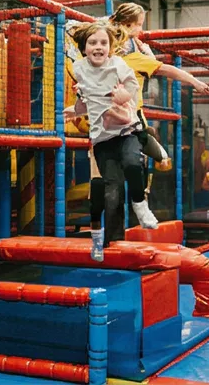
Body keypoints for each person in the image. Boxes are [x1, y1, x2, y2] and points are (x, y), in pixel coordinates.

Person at [106, 3, 209, 229]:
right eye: (139, 26)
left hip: (114, 116)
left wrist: (147, 54)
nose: (141, 31)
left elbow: (151, 69)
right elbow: (167, 70)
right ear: (127, 26)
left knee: (144, 152)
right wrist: (195, 81)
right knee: (144, 158)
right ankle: (140, 200)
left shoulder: (113, 55)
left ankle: (141, 189)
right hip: (129, 117)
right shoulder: (129, 57)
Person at [64, 20, 143, 259]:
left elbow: (129, 91)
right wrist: (76, 108)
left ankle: (112, 237)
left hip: (122, 130)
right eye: (92, 43)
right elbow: (84, 101)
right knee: (102, 192)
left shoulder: (117, 68)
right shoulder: (81, 71)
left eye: (103, 43)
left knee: (117, 182)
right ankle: (102, 240)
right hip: (99, 140)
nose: (98, 47)